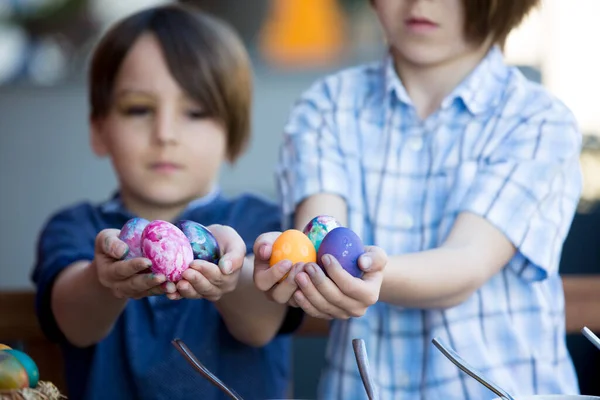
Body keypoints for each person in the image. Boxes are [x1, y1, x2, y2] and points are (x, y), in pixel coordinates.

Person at [266, 0, 584, 399]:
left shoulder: (538, 121)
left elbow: (467, 261)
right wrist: (304, 269)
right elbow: (320, 234)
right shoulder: (328, 105)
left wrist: (362, 275)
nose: (420, 3)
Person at [31, 4, 304, 399]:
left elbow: (261, 324)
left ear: (235, 136)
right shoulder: (76, 227)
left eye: (195, 111)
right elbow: (75, 323)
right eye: (139, 109)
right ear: (99, 130)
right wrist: (104, 280)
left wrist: (230, 278)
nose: (165, 133)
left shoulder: (260, 223)